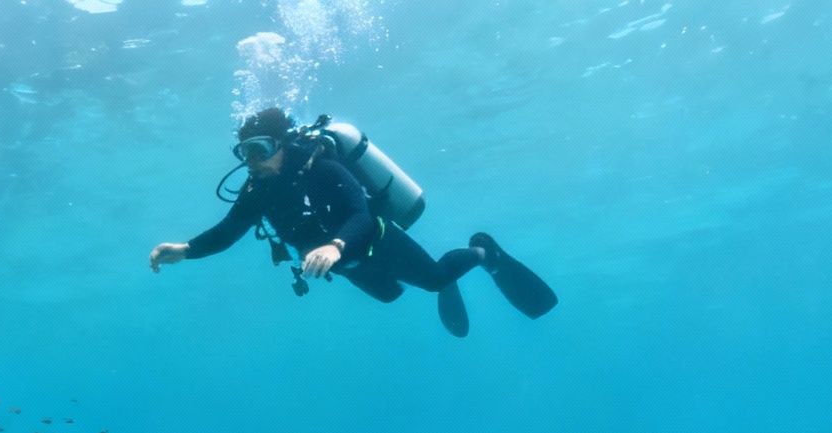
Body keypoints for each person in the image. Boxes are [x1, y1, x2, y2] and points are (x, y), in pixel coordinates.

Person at [149, 107, 557, 337]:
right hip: (347, 266)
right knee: (391, 296)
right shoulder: (258, 189)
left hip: (375, 242)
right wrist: (185, 250)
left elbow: (360, 214)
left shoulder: (321, 168)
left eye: (260, 149)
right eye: (244, 153)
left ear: (282, 143)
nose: (252, 161)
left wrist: (336, 246)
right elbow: (227, 231)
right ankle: (446, 278)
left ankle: (484, 251)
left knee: (432, 278)